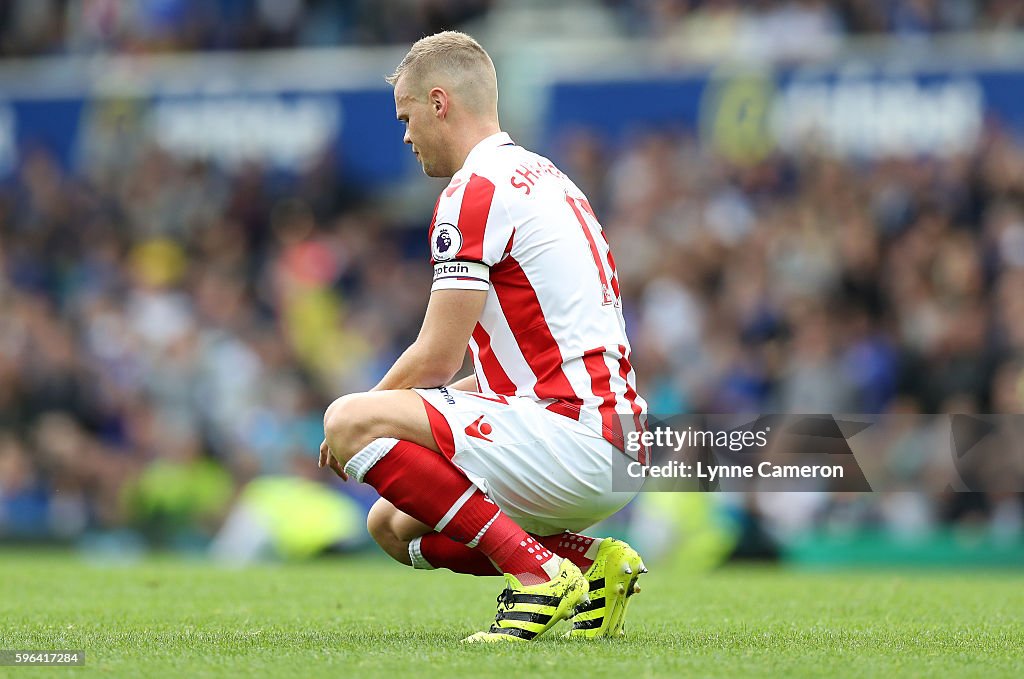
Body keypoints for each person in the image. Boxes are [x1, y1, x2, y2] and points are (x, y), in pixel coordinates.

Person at [318, 30, 648, 643]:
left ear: (439, 102)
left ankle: (538, 574)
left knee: (348, 421)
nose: (407, 135)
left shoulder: (473, 191)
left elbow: (436, 359)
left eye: (408, 116)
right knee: (391, 526)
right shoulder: (546, 177)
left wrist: (363, 416)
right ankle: (589, 561)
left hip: (573, 438)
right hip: (612, 437)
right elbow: (515, 360)